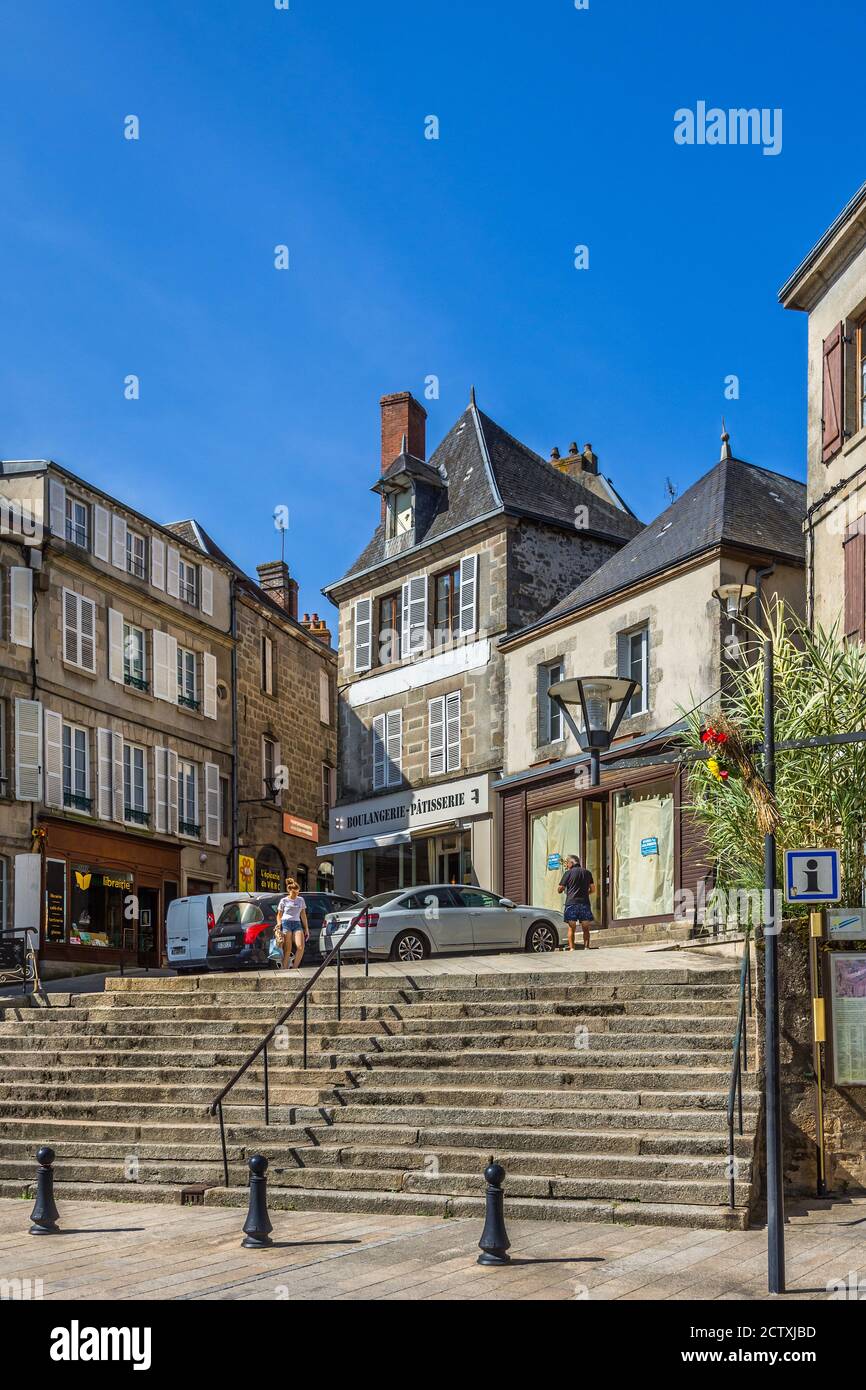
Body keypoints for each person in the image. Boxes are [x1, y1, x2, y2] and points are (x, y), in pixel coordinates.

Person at [557, 854, 596, 951]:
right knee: (586, 927)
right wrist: (586, 894)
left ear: (571, 863)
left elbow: (560, 889)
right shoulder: (587, 873)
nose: (566, 865)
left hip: (571, 903)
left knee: (571, 927)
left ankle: (572, 948)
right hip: (584, 903)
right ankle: (586, 947)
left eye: (567, 863)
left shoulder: (568, 873)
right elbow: (593, 889)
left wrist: (562, 888)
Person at [275, 877, 309, 970]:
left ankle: (294, 968)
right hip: (286, 923)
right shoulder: (284, 901)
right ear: (289, 891)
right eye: (294, 892)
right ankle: (285, 970)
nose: (296, 894)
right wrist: (279, 924)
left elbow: (303, 914)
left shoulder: (301, 900)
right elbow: (279, 915)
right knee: (287, 949)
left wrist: (306, 928)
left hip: (297, 923)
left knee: (300, 947)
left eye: (298, 892)